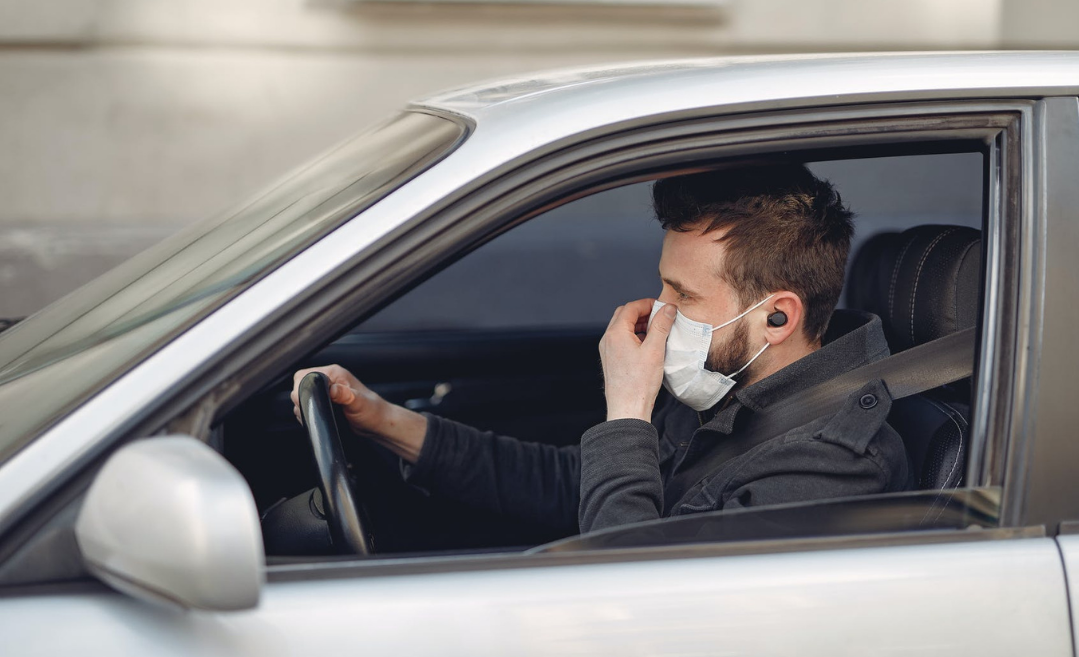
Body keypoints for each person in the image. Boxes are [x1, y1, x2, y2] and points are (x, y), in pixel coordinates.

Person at [291, 165, 908, 537]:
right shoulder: (729, 385)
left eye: (682, 294)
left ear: (777, 315)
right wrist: (386, 422)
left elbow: (634, 605)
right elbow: (576, 487)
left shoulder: (832, 467)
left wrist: (628, 413)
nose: (658, 311)